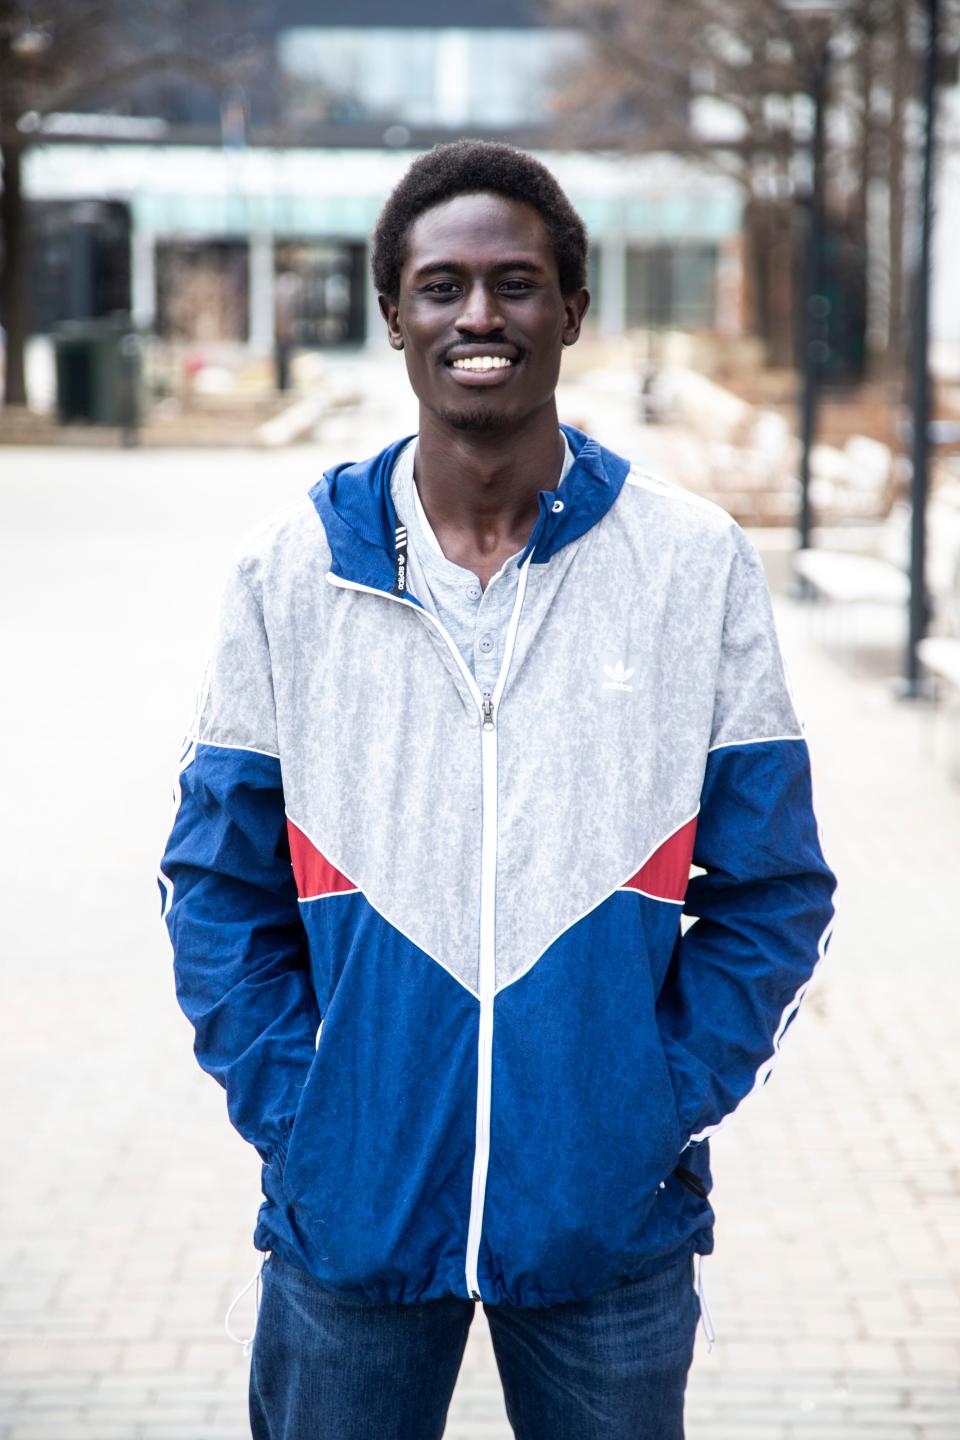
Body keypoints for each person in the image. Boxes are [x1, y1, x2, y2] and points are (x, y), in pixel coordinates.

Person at [160, 140, 836, 1440]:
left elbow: (777, 892)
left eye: (517, 282)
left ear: (573, 309)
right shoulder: (287, 575)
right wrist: (309, 1123)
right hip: (349, 1223)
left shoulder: (691, 568)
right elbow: (215, 890)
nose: (480, 314)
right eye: (443, 285)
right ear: (394, 313)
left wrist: (648, 1104)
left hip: (606, 1234)